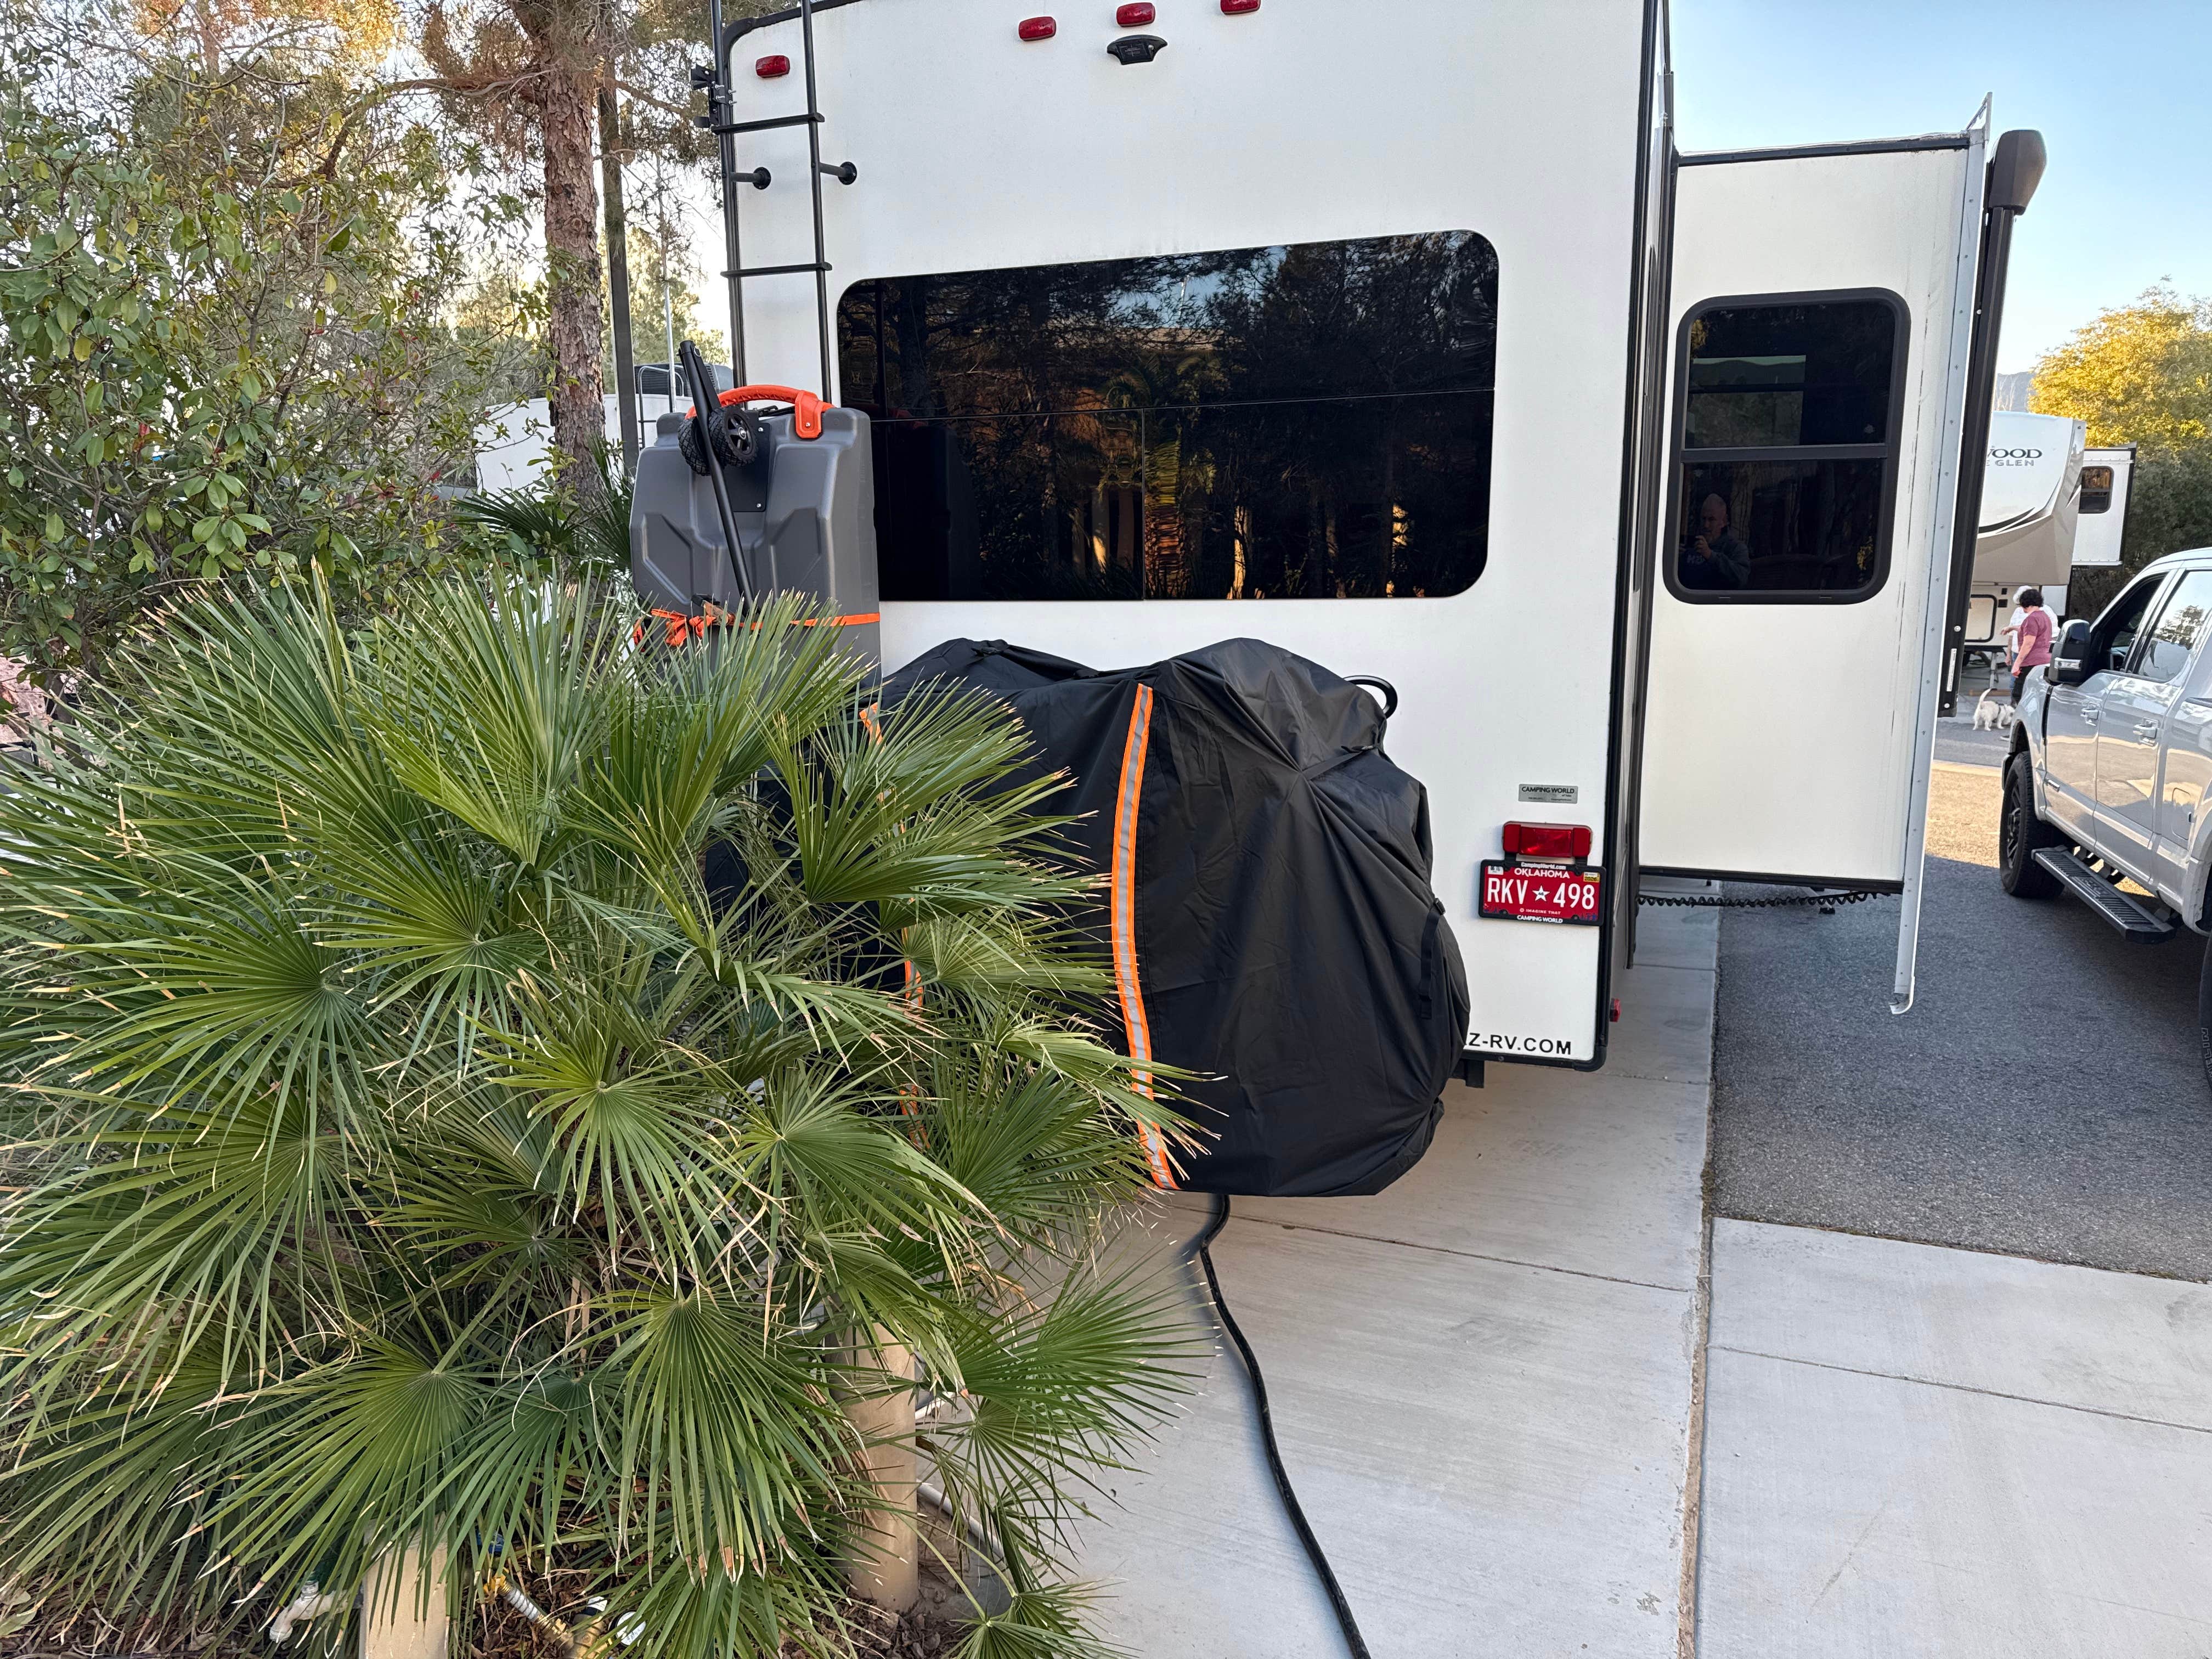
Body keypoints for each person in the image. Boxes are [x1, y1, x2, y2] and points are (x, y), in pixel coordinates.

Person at [1679, 492, 1751, 589]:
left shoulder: (1736, 548)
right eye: (1703, 519)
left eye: (1712, 520)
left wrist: (1711, 556)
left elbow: (1741, 579)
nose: (1706, 525)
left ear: (1724, 522)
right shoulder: (1691, 544)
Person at [2011, 584, 2053, 703]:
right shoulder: (2045, 617)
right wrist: (2012, 628)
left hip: (2032, 661)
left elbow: (2028, 643)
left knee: (2019, 694)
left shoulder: (2031, 619)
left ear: (2025, 604)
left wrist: (2017, 664)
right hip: (2045, 660)